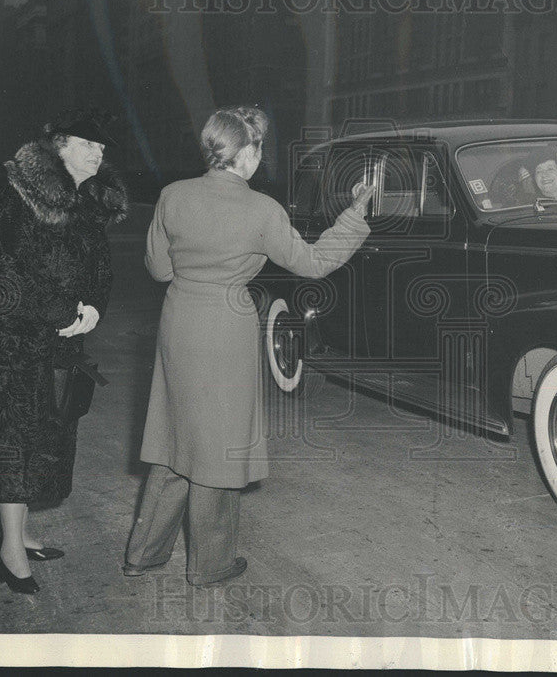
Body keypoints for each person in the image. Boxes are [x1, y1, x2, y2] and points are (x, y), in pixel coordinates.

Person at [123, 106, 371, 586]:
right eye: (260, 149)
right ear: (248, 152)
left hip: (179, 322)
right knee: (220, 444)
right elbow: (315, 262)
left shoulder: (172, 196)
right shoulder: (262, 210)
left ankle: (144, 552)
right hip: (226, 327)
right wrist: (354, 216)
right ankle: (210, 563)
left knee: (176, 437)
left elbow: (159, 269)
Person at [0, 108, 128, 594]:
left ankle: (19, 532)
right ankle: (10, 551)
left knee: (41, 438)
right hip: (7, 340)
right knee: (14, 443)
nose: (99, 152)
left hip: (54, 338)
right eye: (88, 144)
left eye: (101, 147)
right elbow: (8, 275)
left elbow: (100, 267)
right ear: (60, 148)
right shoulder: (19, 201)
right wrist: (63, 314)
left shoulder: (86, 200)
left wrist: (93, 307)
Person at [490, 144, 557, 207]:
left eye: (550, 169)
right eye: (539, 171)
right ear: (534, 178)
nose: (544, 175)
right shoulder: (526, 204)